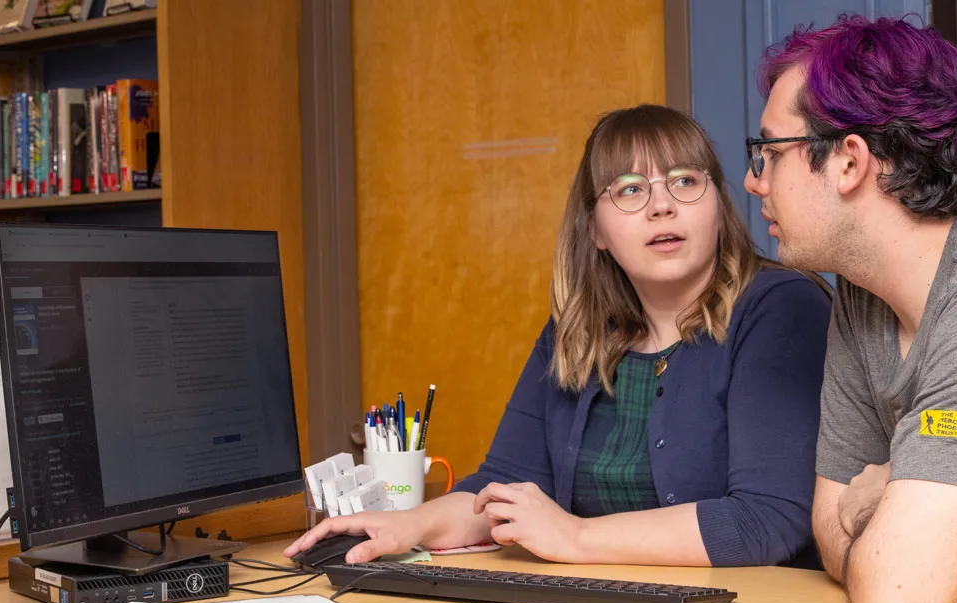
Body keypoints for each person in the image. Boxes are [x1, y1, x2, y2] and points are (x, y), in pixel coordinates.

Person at [286, 104, 831, 569]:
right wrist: (408, 526)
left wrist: (573, 536)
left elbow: (769, 519)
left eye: (686, 181)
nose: (662, 205)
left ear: (718, 204)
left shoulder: (779, 307)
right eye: (629, 190)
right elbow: (505, 484)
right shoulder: (579, 332)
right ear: (594, 230)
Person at [745, 14, 957, 603]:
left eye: (769, 154)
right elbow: (830, 530)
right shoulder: (864, 295)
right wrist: (882, 517)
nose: (754, 181)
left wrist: (880, 507)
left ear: (848, 162)